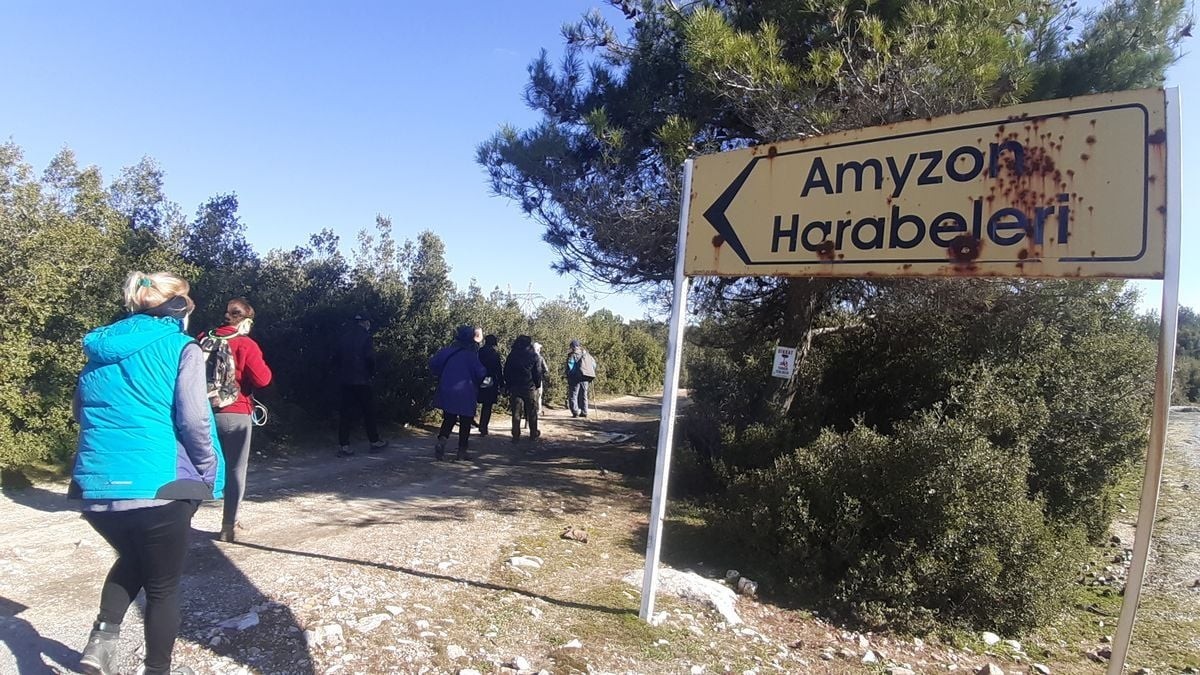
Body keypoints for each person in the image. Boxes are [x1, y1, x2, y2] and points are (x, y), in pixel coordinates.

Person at [69, 271, 223, 675]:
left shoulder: (100, 349)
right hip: (157, 483)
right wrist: (208, 473)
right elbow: (194, 421)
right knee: (162, 588)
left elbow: (80, 412)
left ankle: (100, 643)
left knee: (135, 557)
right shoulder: (180, 348)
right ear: (178, 306)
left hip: (93, 486)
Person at [198, 298, 272, 544]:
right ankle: (229, 524)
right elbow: (263, 379)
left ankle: (180, 520)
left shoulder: (202, 339)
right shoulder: (245, 344)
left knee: (195, 467)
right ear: (246, 321)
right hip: (235, 411)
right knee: (234, 469)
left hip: (200, 412)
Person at [429, 325, 486, 460]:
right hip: (467, 391)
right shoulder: (472, 356)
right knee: (466, 421)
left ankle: (442, 441)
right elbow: (481, 373)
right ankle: (462, 451)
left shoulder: (447, 352)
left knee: (449, 418)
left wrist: (442, 375)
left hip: (447, 388)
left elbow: (433, 364)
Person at [335, 313, 387, 457]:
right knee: (368, 412)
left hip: (345, 380)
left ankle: (344, 445)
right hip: (362, 380)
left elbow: (336, 358)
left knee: (345, 414)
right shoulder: (366, 337)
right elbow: (370, 358)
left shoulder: (344, 337)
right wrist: (371, 374)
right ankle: (374, 441)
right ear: (365, 323)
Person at [504, 335, 543, 443]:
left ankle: (515, 435)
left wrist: (508, 384)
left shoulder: (512, 355)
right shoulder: (533, 356)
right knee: (532, 412)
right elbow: (538, 372)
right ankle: (533, 434)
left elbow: (506, 371)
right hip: (530, 387)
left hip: (515, 387)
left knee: (516, 412)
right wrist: (537, 384)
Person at [477, 334, 504, 436]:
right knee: (487, 405)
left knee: (473, 402)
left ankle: (470, 421)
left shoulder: (479, 352)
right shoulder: (494, 354)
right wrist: (502, 384)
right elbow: (498, 370)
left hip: (477, 379)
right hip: (490, 380)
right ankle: (483, 427)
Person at [565, 339, 596, 418]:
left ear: (572, 346)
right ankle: (584, 411)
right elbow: (594, 365)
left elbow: (570, 366)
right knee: (584, 394)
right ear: (579, 346)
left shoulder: (573, 355)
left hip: (575, 377)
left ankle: (575, 412)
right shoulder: (586, 354)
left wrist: (569, 375)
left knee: (573, 394)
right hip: (585, 376)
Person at [532, 341, 549, 420]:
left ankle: (531, 411)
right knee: (539, 396)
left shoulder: (529, 357)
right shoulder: (540, 358)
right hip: (538, 379)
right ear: (538, 350)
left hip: (529, 381)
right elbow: (546, 369)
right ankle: (538, 410)